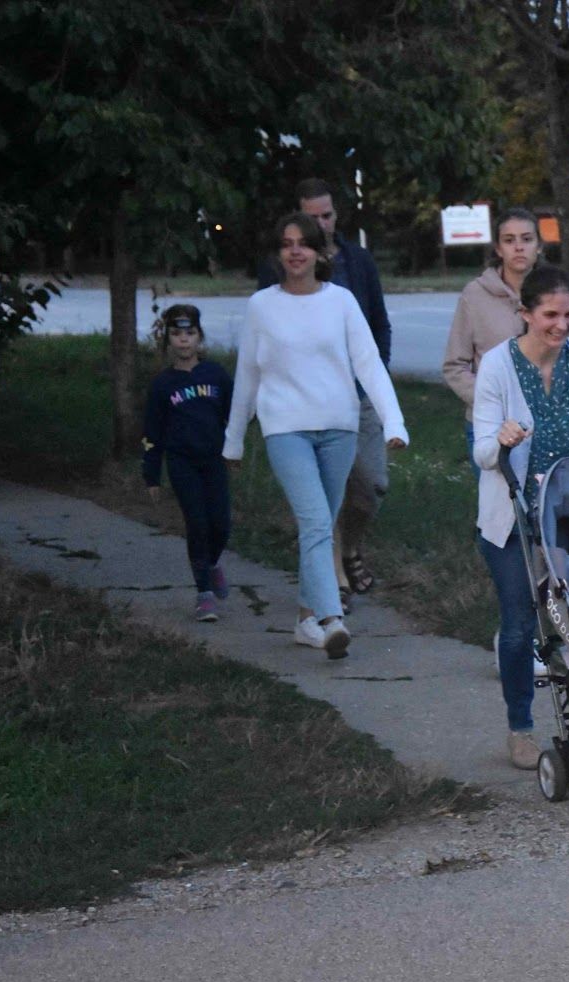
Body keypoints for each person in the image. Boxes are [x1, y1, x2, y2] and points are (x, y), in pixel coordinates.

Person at [225, 213, 408, 660]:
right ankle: (331, 618)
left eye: (303, 243)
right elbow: (247, 374)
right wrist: (234, 438)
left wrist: (394, 422)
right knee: (315, 522)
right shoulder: (262, 306)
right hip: (286, 429)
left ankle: (306, 620)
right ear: (278, 254)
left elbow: (368, 364)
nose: (295, 251)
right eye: (286, 244)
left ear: (319, 252)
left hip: (338, 428)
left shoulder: (341, 301)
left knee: (321, 524)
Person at [474, 264, 569, 769]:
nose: (561, 326)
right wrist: (502, 440)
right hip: (513, 515)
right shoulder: (497, 366)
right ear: (525, 314)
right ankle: (521, 727)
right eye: (550, 316)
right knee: (520, 625)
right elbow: (482, 451)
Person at [257, 178, 393, 605]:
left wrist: (377, 382)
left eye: (327, 215)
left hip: (358, 395)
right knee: (321, 494)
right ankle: (333, 582)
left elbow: (379, 324)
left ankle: (350, 549)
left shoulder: (359, 262)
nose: (321, 224)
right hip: (304, 404)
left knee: (371, 485)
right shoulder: (277, 271)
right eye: (311, 217)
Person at [141, 304, 232, 622]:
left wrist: (235, 448)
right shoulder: (162, 385)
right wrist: (152, 474)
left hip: (214, 461)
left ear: (199, 337)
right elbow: (152, 432)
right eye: (177, 334)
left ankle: (212, 563)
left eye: (190, 333)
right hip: (182, 463)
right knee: (197, 524)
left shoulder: (216, 375)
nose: (183, 340)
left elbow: (235, 415)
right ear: (168, 339)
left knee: (220, 524)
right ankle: (204, 593)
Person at [444, 207, 543, 462]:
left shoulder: (554, 292)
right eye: (509, 240)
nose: (519, 247)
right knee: (499, 489)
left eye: (527, 239)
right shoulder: (475, 295)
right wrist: (490, 403)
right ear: (498, 249)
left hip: (545, 422)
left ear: (539, 246)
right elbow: (454, 365)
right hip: (490, 427)